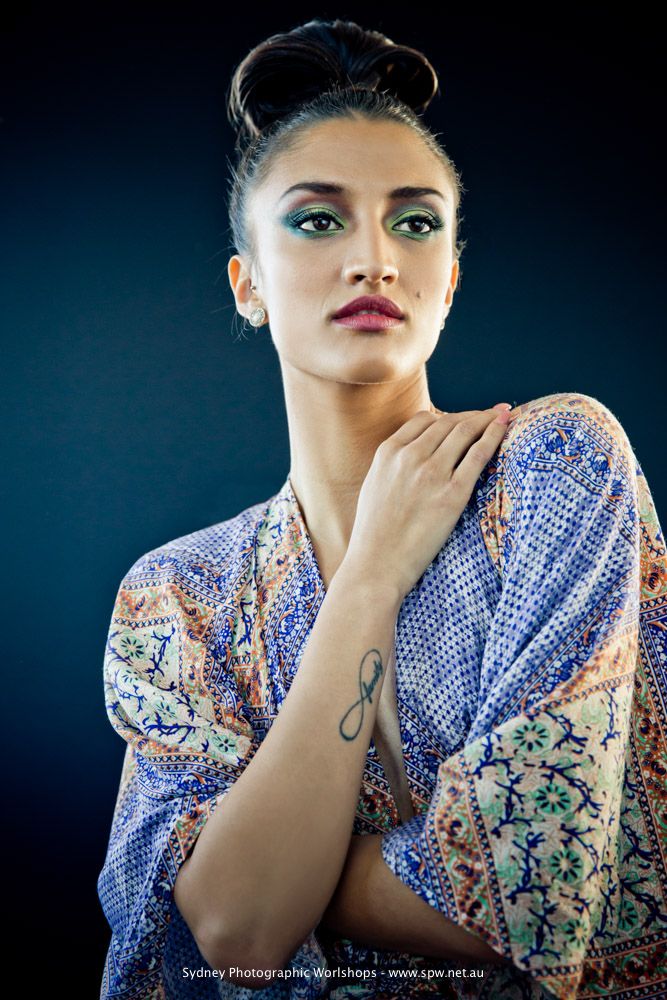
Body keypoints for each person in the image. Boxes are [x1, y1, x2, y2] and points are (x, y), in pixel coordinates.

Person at [96, 17, 667, 1000]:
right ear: (247, 284)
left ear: (449, 279)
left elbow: (521, 901)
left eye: (414, 222)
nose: (374, 258)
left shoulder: (555, 465)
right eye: (318, 220)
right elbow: (231, 929)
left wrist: (275, 867)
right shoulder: (178, 594)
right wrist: (368, 577)